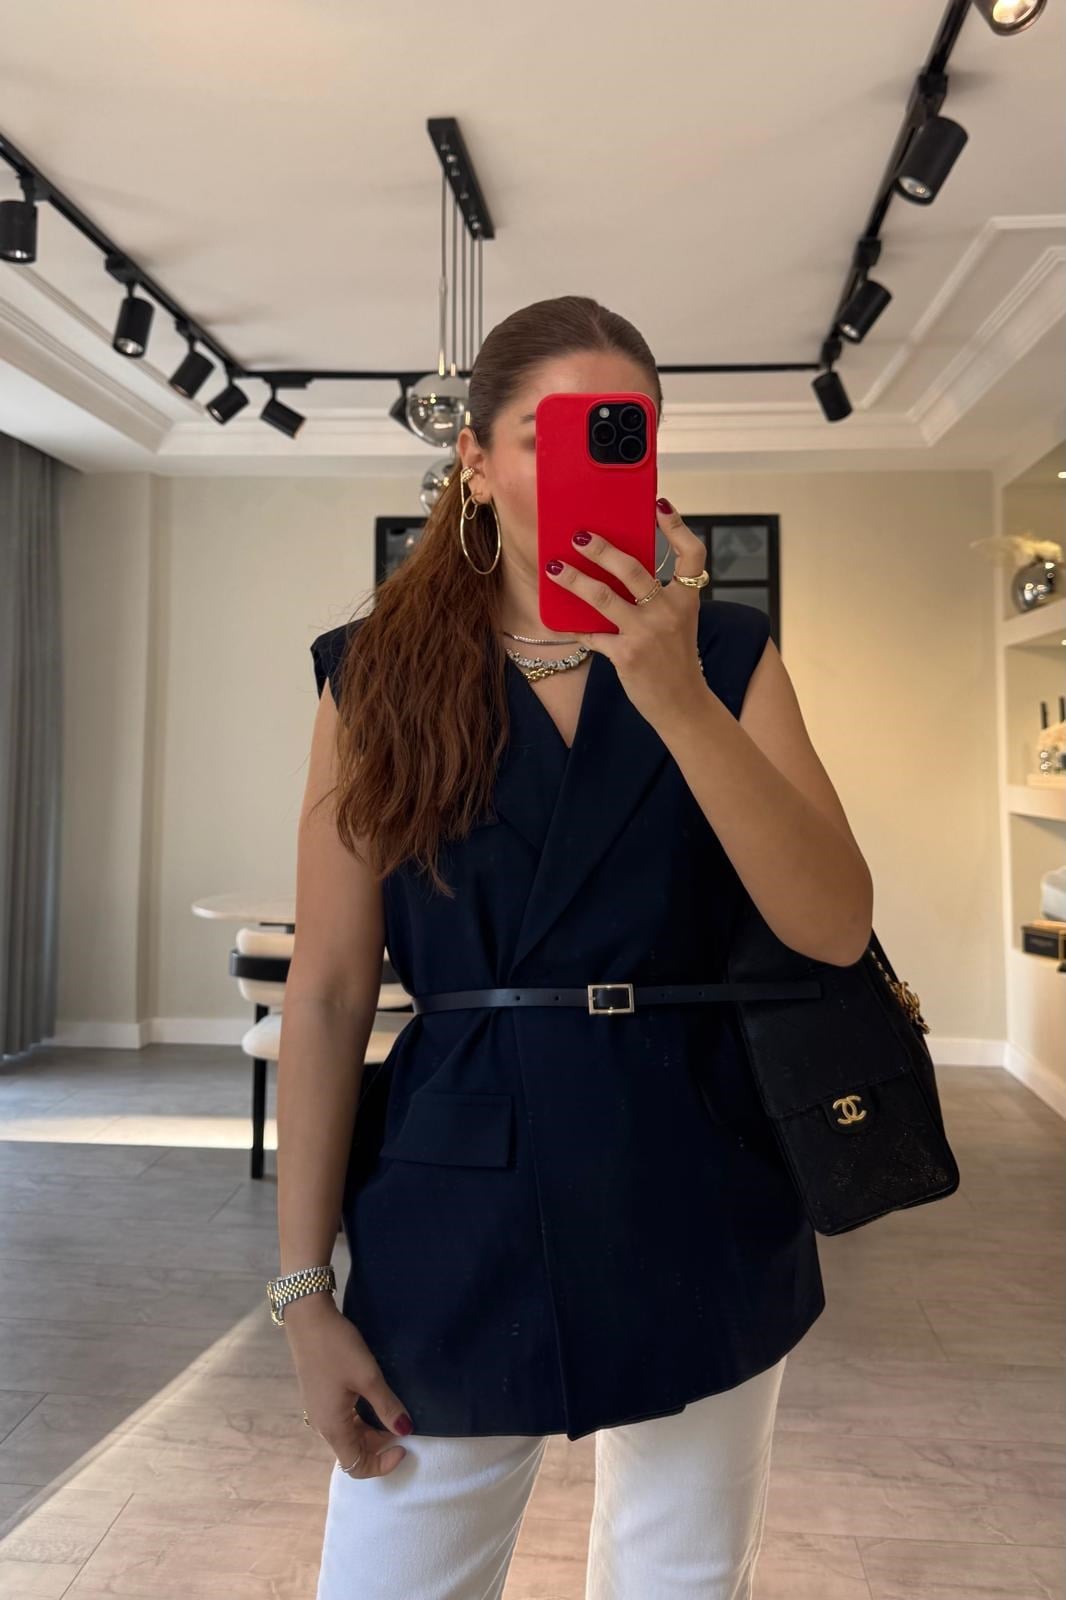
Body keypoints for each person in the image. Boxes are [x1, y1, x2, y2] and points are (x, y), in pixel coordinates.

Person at [275, 295, 873, 1599]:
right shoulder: (373, 673)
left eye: (625, 430)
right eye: (553, 435)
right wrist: (302, 1291)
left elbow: (832, 923)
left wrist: (674, 695)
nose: (596, 459)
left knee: (681, 1577)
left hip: (696, 1164)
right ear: (476, 462)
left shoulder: (724, 651)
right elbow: (327, 991)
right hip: (456, 1182)